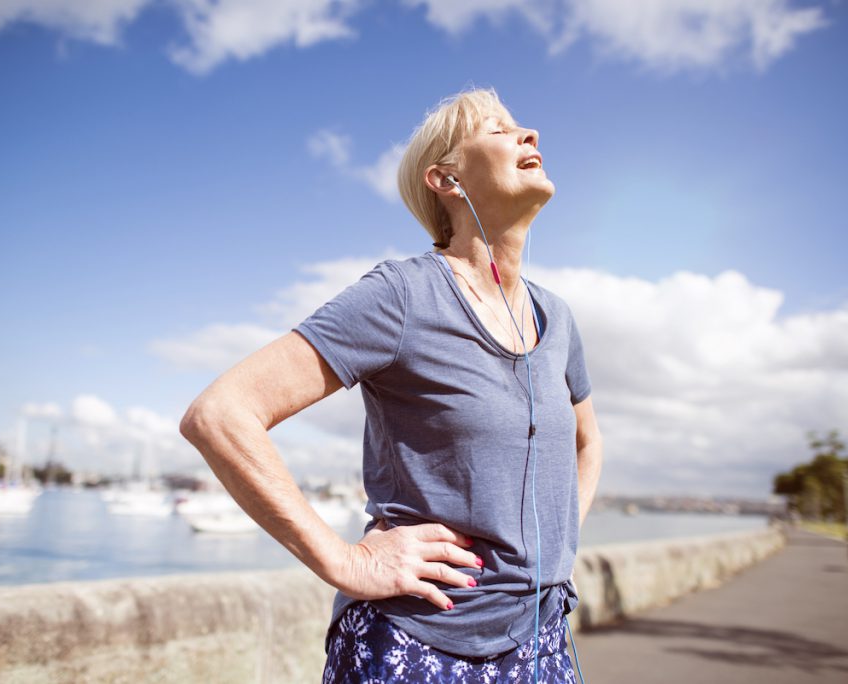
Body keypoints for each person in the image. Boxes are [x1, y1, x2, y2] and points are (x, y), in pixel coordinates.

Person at [180, 87, 603, 683]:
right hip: (416, 645)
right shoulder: (402, 296)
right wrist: (345, 562)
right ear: (447, 181)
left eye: (522, 127)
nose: (528, 134)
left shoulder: (556, 319)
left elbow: (588, 443)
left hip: (542, 645)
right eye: (498, 130)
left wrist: (555, 546)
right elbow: (221, 414)